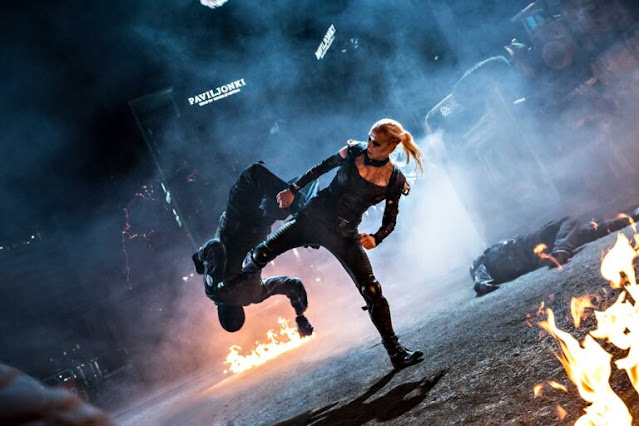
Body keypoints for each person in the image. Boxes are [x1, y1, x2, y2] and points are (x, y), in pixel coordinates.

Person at [242, 118, 424, 369]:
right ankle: (238, 284)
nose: (369, 145)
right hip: (313, 218)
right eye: (369, 138)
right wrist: (293, 189)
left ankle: (396, 352)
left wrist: (376, 237)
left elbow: (390, 219)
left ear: (391, 146)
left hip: (344, 234)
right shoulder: (354, 151)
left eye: (376, 143)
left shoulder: (394, 180)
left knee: (372, 290)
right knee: (261, 254)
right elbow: (321, 168)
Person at [192, 162, 318, 336]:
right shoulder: (216, 292)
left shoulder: (255, 295)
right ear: (219, 310)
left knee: (302, 188)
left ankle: (305, 212)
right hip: (237, 219)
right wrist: (199, 259)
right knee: (254, 173)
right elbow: (215, 247)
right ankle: (303, 211)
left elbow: (292, 284)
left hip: (260, 225)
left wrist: (300, 315)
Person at [471, 211, 639, 296]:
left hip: (536, 249)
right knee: (568, 221)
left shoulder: (488, 261)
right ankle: (561, 250)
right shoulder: (481, 262)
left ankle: (632, 217)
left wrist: (484, 284)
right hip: (532, 244)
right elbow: (480, 279)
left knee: (587, 231)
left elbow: (481, 280)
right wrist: (483, 285)